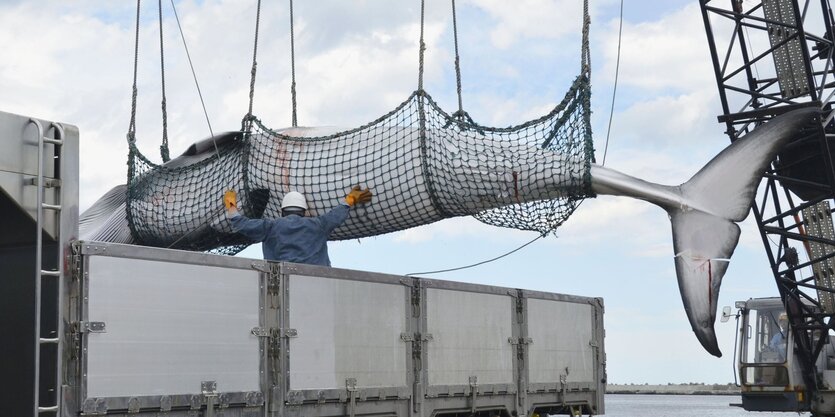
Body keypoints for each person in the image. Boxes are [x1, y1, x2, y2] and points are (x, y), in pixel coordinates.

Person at [223, 186, 372, 266]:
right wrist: (350, 200)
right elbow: (335, 216)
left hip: (280, 282)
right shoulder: (318, 224)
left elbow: (241, 223)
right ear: (304, 210)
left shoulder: (271, 227)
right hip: (318, 281)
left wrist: (231, 205)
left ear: (282, 210)